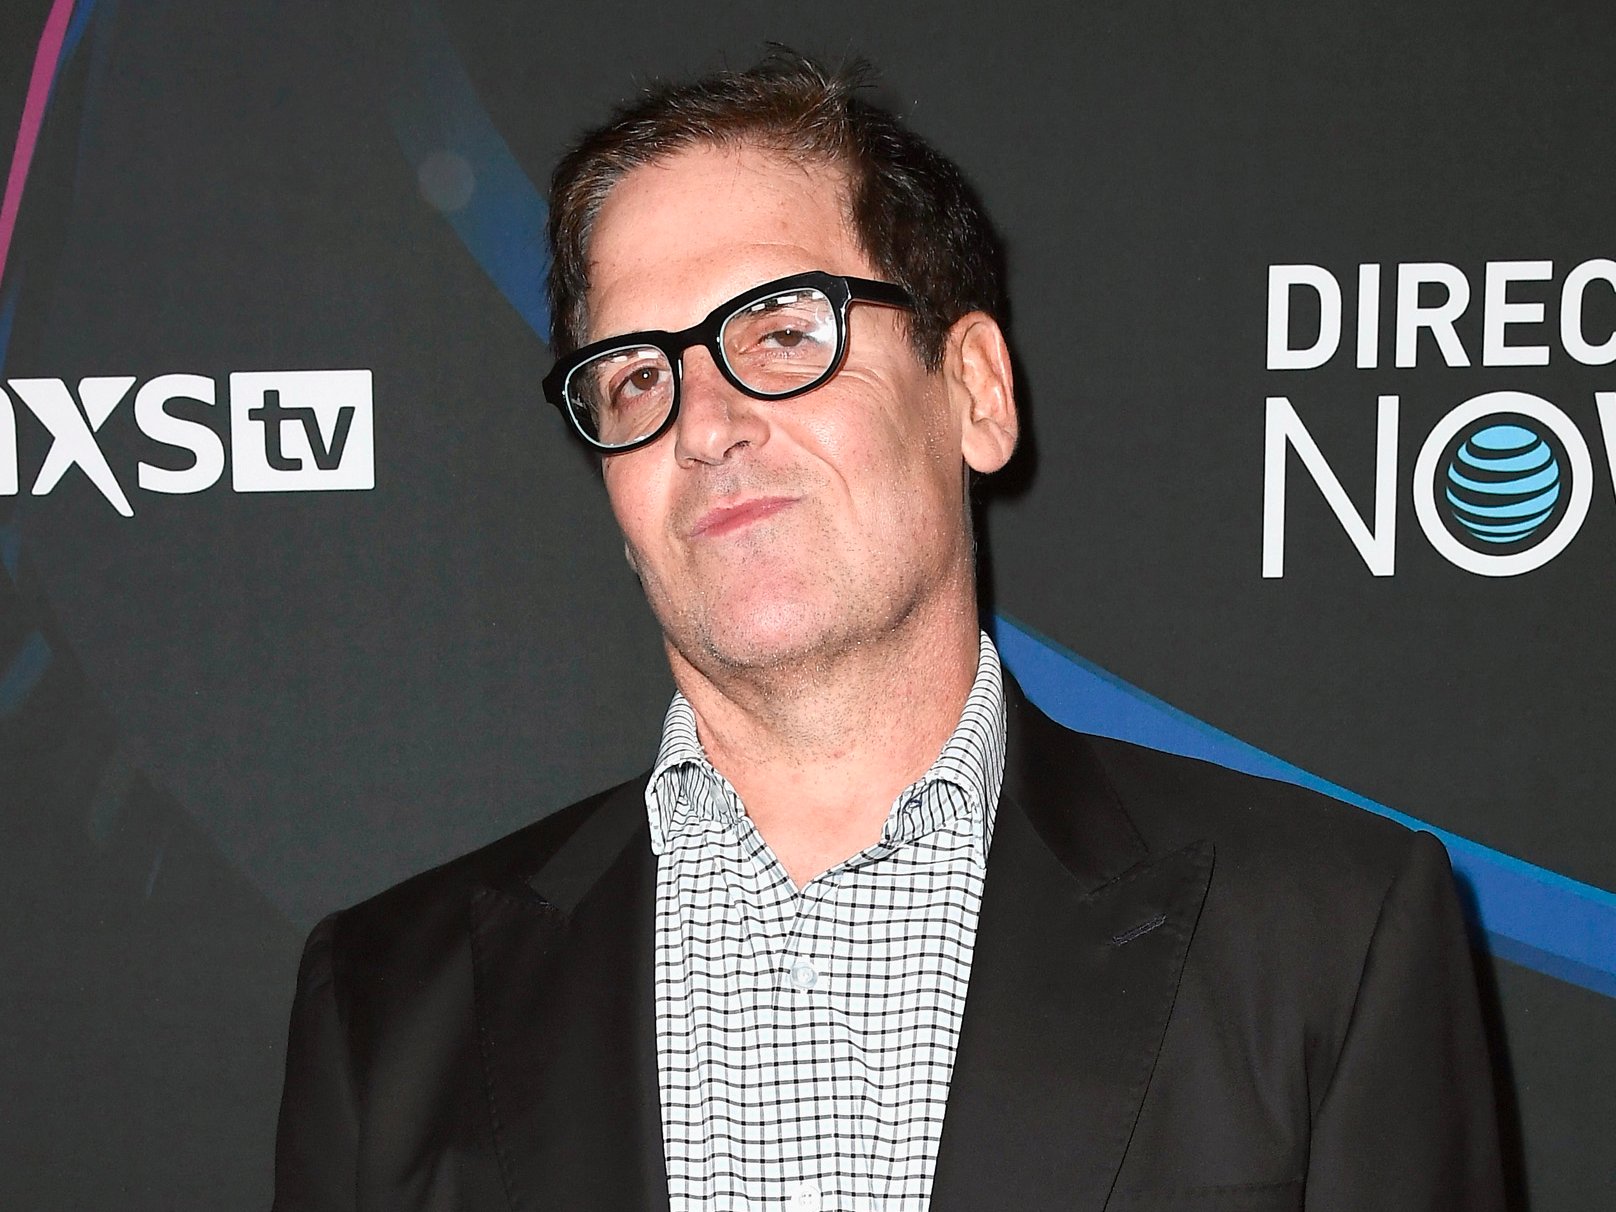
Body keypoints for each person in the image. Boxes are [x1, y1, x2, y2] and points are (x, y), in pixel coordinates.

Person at [272, 50, 1504, 1212]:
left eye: (782, 333)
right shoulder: (388, 1003)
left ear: (972, 392)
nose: (704, 423)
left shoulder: (1323, 935)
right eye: (637, 374)